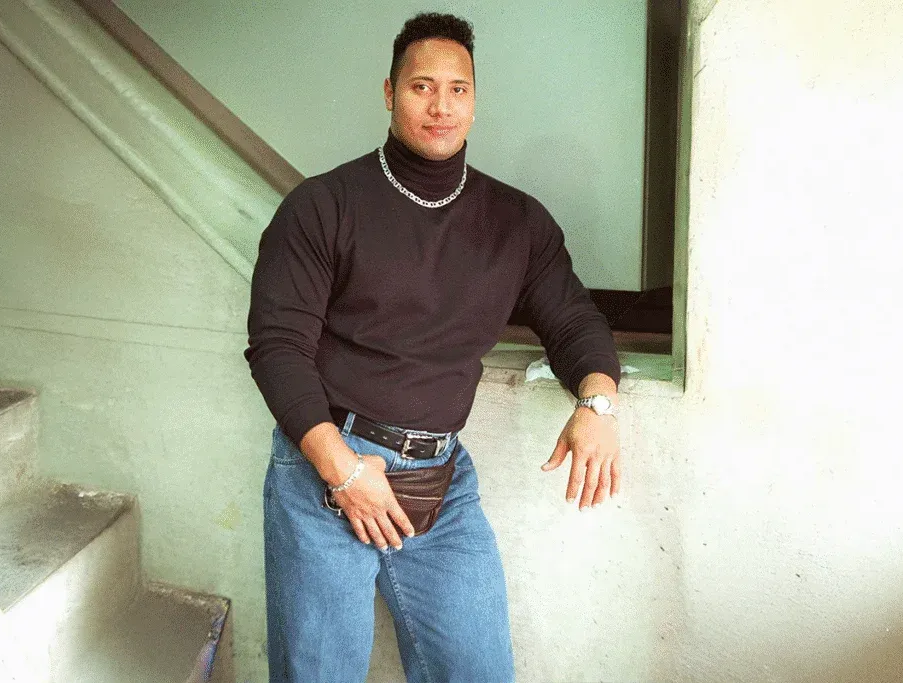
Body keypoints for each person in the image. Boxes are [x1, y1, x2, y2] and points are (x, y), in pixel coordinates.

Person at [245, 12, 622, 683]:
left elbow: (572, 319)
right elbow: (277, 346)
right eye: (422, 87)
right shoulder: (323, 206)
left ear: (476, 100)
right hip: (327, 470)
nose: (441, 106)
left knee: (478, 670)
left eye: (458, 89)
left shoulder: (516, 223)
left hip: (442, 483)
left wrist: (599, 402)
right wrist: (342, 468)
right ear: (389, 93)